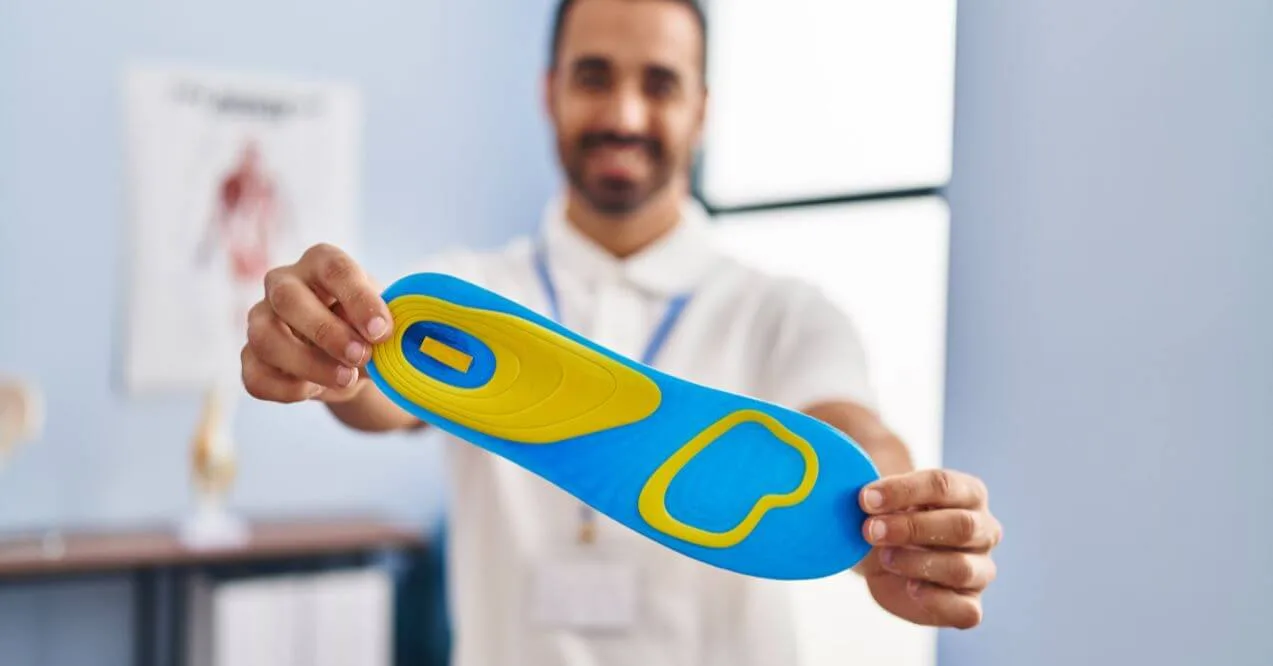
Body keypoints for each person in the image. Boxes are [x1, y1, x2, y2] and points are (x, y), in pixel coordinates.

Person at [239, 0, 1003, 664]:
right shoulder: (469, 292)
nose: (624, 115)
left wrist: (903, 519)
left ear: (701, 109)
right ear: (550, 92)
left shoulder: (785, 313)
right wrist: (330, 357)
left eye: (659, 83)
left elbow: (852, 432)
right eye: (594, 76)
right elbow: (385, 394)